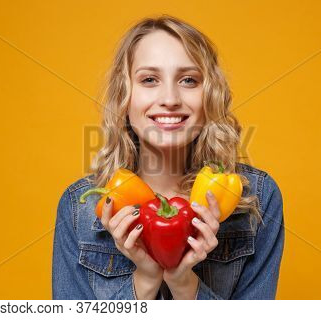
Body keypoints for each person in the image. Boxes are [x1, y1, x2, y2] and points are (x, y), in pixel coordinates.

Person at [52, 15, 284, 300]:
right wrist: (145, 280)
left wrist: (184, 284)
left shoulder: (258, 198)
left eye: (189, 80)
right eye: (149, 80)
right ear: (125, 96)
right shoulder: (80, 207)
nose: (171, 98)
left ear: (209, 95)